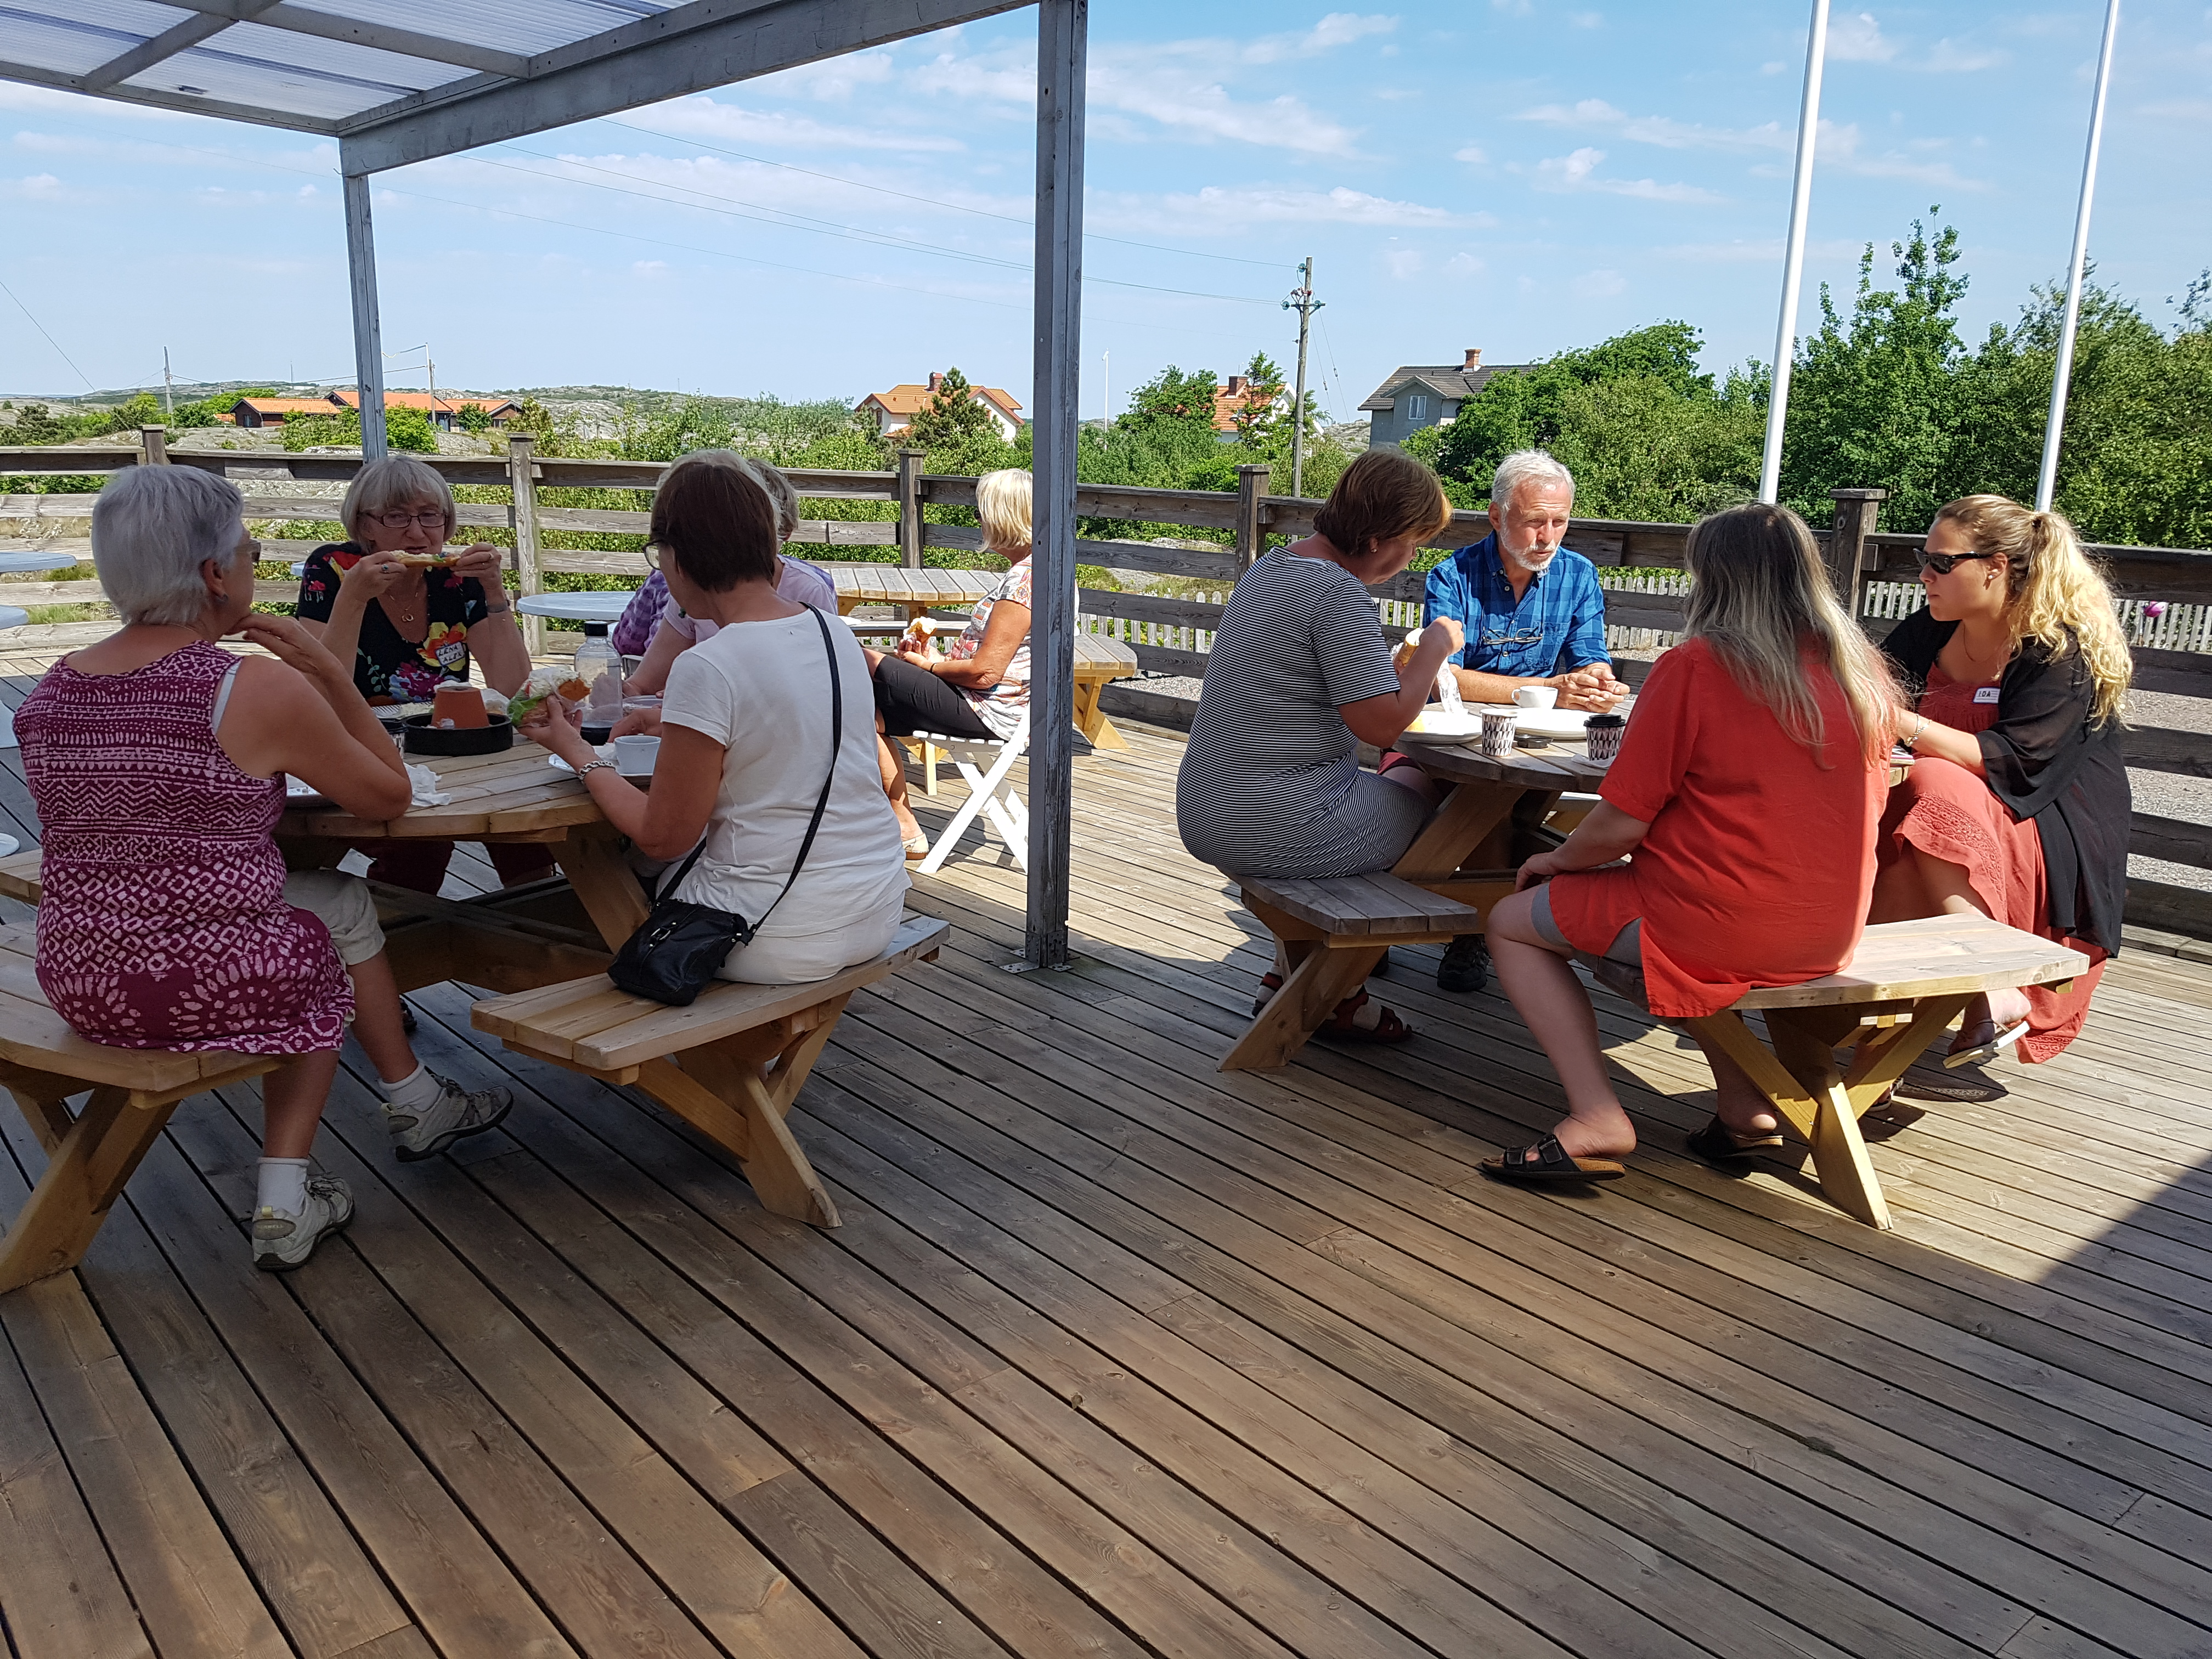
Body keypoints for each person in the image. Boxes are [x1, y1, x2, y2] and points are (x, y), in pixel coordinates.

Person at [19, 467, 514, 1271]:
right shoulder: (249, 686)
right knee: (316, 939)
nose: (254, 565)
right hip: (198, 981)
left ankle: (417, 1100)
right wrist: (328, 676)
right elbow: (388, 794)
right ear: (216, 575)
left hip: (79, 974)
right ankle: (287, 1193)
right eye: (249, 553)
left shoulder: (51, 692)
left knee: (327, 904)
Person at [1480, 502, 1903, 1184]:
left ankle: (1596, 1115)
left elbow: (1622, 823)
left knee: (1511, 921)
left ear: (1715, 580)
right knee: (1655, 946)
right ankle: (1744, 1107)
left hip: (1717, 922)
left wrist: (1555, 858)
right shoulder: (1862, 673)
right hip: (1830, 931)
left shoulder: (1697, 667)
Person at [519, 452, 909, 984]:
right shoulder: (832, 631)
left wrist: (577, 753)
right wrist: (669, 720)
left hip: (772, 933)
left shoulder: (708, 664)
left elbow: (663, 837)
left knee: (608, 905)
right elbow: (784, 724)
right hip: (877, 908)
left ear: (678, 559)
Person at [1177, 448, 1463, 1041]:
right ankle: (1341, 982)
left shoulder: (1271, 568)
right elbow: (1382, 727)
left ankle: (1298, 977)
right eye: (1413, 542)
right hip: (1277, 823)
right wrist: (1435, 647)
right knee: (1432, 792)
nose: (1412, 558)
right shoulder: (1338, 593)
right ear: (1379, 537)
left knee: (1390, 782)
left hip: (1208, 809)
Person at [1869, 494, 2130, 1080]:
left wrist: (1902, 722)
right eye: (1923, 559)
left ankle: (1988, 975)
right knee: (1902, 847)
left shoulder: (2059, 651)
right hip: (1940, 826)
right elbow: (1863, 691)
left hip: (2044, 827)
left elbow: (2014, 762)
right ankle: (1870, 1062)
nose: (1924, 575)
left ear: (1995, 567)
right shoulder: (1928, 631)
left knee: (1933, 781)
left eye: (1941, 562)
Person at [294, 454, 553, 896]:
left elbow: (512, 687)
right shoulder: (333, 568)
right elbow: (317, 692)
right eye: (397, 517)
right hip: (359, 749)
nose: (417, 533)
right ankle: (407, 931)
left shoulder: (456, 577)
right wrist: (353, 599)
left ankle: (538, 920)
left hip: (447, 745)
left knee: (524, 826)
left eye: (431, 516)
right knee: (419, 846)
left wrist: (495, 592)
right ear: (365, 525)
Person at [1420, 449, 1629, 994]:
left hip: (1540, 737)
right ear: (1496, 516)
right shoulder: (1452, 576)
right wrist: (1549, 689)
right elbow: (1443, 676)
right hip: (1459, 733)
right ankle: (1479, 929)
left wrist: (1595, 682)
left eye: (1560, 522)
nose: (1548, 536)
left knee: (1513, 808)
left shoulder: (1579, 574)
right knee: (1487, 804)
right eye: (1536, 521)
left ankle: (1494, 921)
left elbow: (1590, 655)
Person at [865, 468, 1036, 857]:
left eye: (981, 512)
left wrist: (927, 668)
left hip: (988, 710)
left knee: (856, 659)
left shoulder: (1024, 583)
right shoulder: (1040, 572)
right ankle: (903, 826)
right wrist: (936, 658)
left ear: (1004, 517)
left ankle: (901, 824)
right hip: (987, 702)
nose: (979, 521)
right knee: (859, 709)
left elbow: (985, 673)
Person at [615, 453, 838, 708]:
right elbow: (641, 686)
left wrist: (690, 705)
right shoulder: (838, 637)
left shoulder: (706, 664)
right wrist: (608, 694)